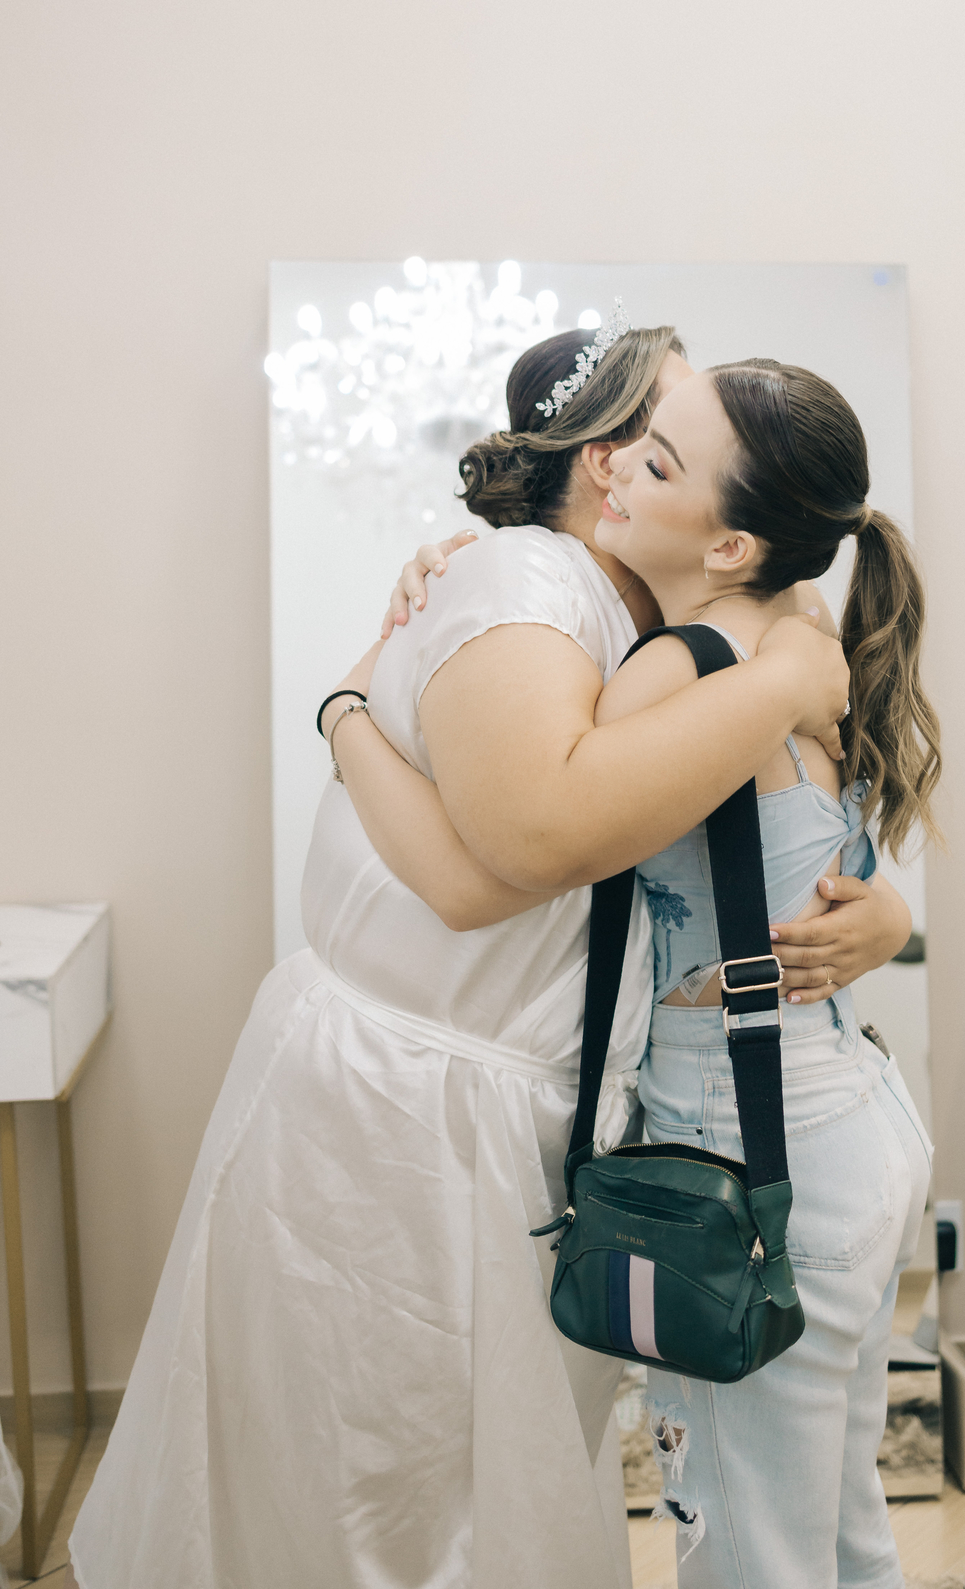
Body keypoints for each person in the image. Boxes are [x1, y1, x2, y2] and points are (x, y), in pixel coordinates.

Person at [67, 320, 873, 1589]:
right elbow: (507, 860)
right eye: (667, 434)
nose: (677, 449)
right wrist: (343, 711)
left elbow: (785, 835)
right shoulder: (524, 586)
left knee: (469, 1482)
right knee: (378, 1486)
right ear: (607, 461)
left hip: (523, 1109)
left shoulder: (671, 622)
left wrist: (875, 917)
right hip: (402, 1117)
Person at [332, 357, 939, 1587]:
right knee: (843, 1528)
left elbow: (517, 844)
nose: (617, 469)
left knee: (746, 1549)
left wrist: (352, 707)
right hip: (855, 1116)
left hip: (748, 1152)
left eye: (657, 461)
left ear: (729, 544)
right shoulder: (797, 624)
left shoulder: (675, 668)